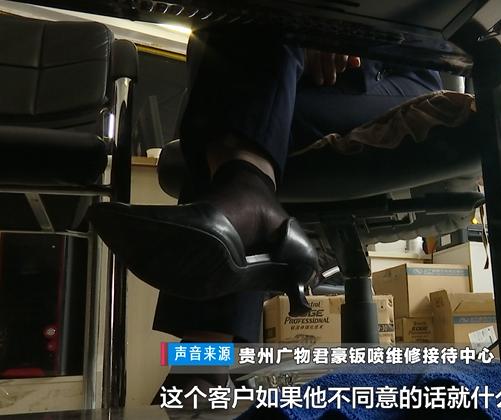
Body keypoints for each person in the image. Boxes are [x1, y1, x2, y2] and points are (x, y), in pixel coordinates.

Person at [88, 23, 442, 394]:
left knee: (235, 118)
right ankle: (249, 206)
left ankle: (202, 361)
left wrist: (337, 32)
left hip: (398, 76)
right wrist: (303, 40)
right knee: (229, 43)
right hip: (300, 72)